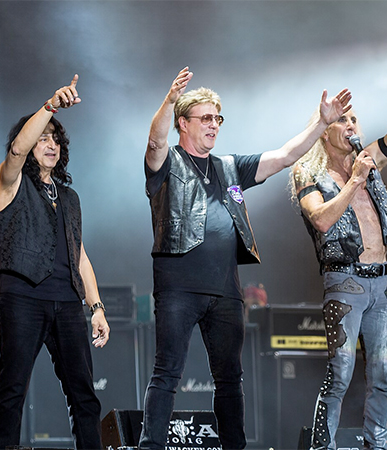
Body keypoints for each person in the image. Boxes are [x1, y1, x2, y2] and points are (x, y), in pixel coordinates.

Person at [141, 67, 351, 450]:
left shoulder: (229, 167)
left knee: (230, 379)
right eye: (206, 118)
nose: (214, 125)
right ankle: (150, 446)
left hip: (225, 289)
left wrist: (322, 123)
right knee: (167, 372)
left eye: (217, 118)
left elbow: (285, 156)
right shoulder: (167, 164)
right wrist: (169, 100)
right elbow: (155, 142)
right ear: (183, 123)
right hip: (179, 287)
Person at [290, 35, 387, 450]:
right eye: (343, 120)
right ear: (325, 131)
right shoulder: (309, 173)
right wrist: (355, 179)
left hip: (382, 283)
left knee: (383, 374)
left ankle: (376, 445)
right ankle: (322, 447)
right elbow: (322, 220)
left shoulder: (369, 161)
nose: (352, 126)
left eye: (355, 119)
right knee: (340, 373)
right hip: (344, 282)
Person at [0, 75, 110, 450]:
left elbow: (80, 254)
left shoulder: (70, 197)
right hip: (22, 297)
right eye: (43, 137)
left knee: (84, 395)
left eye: (55, 139)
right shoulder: (10, 182)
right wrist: (51, 106)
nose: (50, 144)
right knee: (12, 390)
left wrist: (97, 307)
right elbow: (16, 151)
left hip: (68, 301)